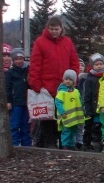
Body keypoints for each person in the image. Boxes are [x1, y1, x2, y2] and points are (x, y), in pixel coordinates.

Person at [29, 16, 79, 148]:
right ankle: (49, 143)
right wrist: (36, 84)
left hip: (64, 86)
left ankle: (64, 143)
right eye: (51, 29)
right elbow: (35, 64)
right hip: (47, 88)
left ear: (61, 28)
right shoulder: (40, 42)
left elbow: (74, 61)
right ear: (47, 28)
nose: (54, 32)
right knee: (49, 119)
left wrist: (73, 79)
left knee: (65, 116)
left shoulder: (67, 42)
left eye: (56, 29)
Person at [5, 48, 32, 146]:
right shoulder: (10, 73)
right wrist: (8, 101)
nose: (19, 61)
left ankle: (27, 145)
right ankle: (15, 145)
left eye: (21, 58)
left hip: (27, 102)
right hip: (16, 102)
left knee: (26, 125)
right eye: (16, 59)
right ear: (13, 60)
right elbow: (7, 88)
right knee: (15, 125)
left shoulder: (27, 71)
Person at [56, 69, 85, 150]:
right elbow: (58, 103)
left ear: (74, 81)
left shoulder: (76, 91)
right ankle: (65, 145)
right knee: (66, 132)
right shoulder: (62, 92)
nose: (68, 81)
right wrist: (62, 112)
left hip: (75, 117)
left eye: (70, 80)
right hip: (66, 116)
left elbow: (80, 102)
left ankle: (72, 145)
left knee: (73, 132)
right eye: (66, 79)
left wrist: (83, 111)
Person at [82, 53, 104, 151]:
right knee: (89, 127)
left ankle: (97, 143)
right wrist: (87, 108)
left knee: (98, 127)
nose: (99, 66)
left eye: (101, 64)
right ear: (92, 66)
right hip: (91, 107)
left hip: (101, 107)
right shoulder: (90, 78)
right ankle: (86, 144)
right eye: (97, 64)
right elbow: (87, 95)